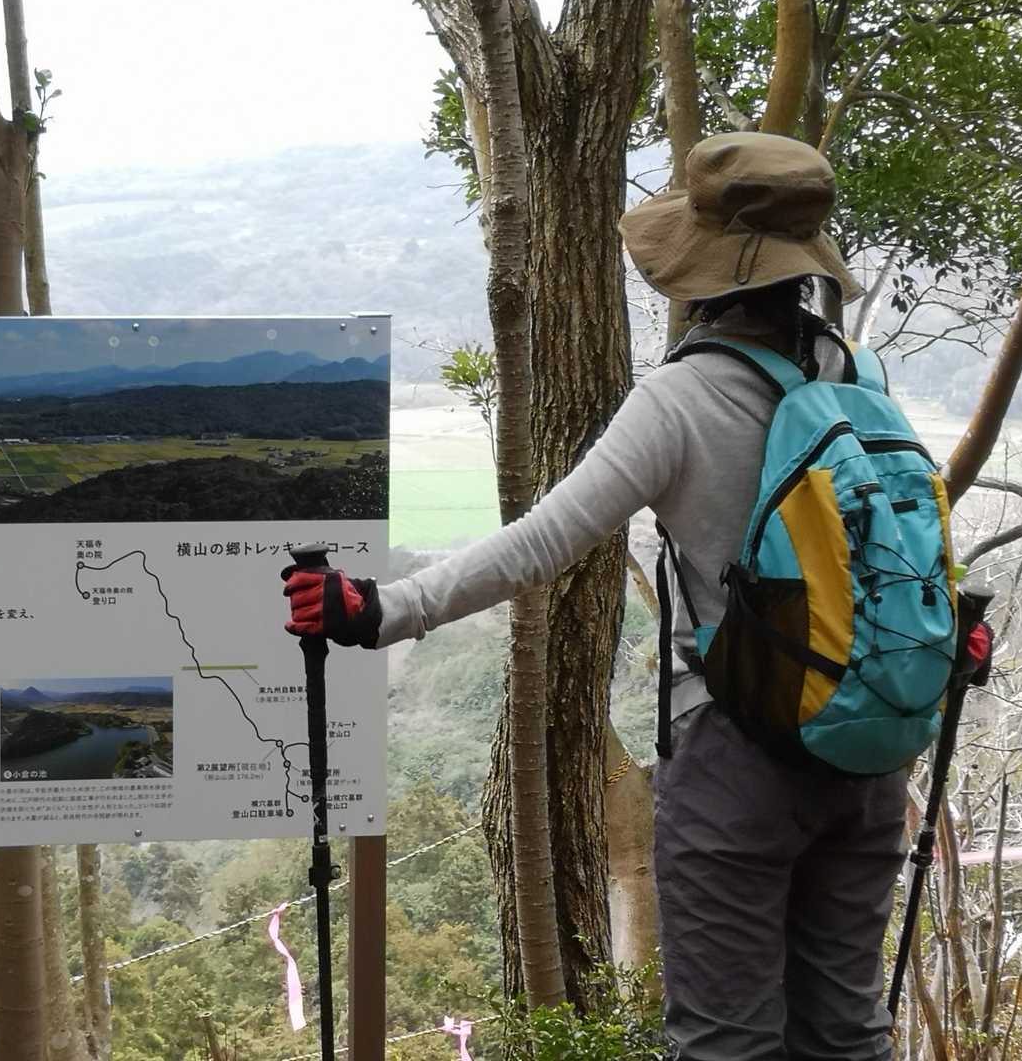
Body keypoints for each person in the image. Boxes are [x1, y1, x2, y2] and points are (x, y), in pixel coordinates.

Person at [280, 132, 917, 1060]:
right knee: (848, 1032)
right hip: (870, 750)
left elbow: (544, 540)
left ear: (702, 268)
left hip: (739, 757)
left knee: (727, 1042)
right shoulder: (859, 374)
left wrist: (382, 609)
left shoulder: (684, 397)